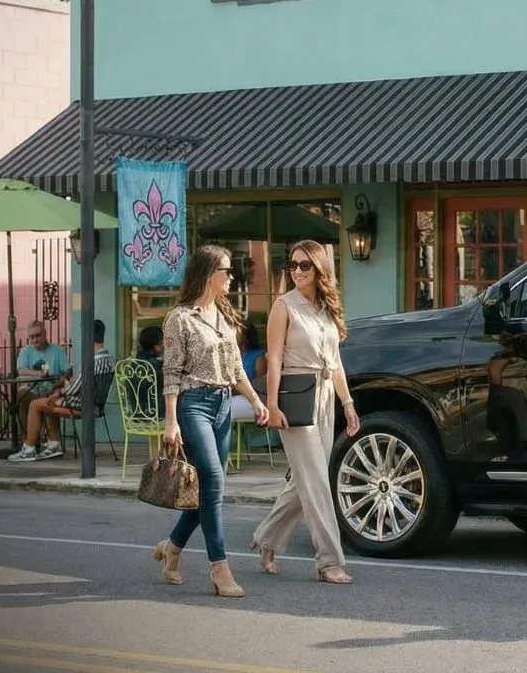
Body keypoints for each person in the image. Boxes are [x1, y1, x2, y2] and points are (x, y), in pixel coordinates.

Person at [151, 245, 268, 597]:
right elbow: (170, 372)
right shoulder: (179, 319)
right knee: (214, 481)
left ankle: (172, 548)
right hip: (193, 405)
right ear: (207, 275)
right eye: (226, 271)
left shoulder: (224, 317)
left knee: (207, 490)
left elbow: (234, 369)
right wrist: (171, 421)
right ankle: (220, 568)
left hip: (222, 405)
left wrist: (255, 400)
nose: (232, 277)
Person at [250, 240, 360, 585]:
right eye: (293, 264)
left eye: (304, 265)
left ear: (319, 270)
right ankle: (329, 561)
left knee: (304, 480)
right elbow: (275, 359)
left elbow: (336, 362)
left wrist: (348, 403)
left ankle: (267, 539)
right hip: (296, 398)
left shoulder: (326, 307)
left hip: (326, 395)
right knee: (316, 481)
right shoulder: (284, 306)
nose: (296, 271)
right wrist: (271, 404)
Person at [9, 319, 114, 462]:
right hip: (95, 405)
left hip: (82, 405)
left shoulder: (90, 360)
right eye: (31, 336)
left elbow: (73, 389)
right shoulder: (108, 358)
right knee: (49, 400)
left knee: (37, 404)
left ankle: (29, 448)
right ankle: (53, 444)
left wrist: (61, 391)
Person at [14, 320, 69, 436]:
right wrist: (38, 373)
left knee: (51, 397)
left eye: (38, 336)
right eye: (31, 337)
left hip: (53, 389)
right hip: (32, 389)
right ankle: (27, 437)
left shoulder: (58, 350)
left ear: (45, 334)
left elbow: (67, 371)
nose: (34, 340)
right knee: (21, 394)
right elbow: (21, 370)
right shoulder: (25, 351)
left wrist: (60, 382)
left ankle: (49, 439)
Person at [134, 325, 165, 418]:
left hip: (136, 414)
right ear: (157, 346)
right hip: (156, 415)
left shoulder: (136, 362)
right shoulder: (155, 364)